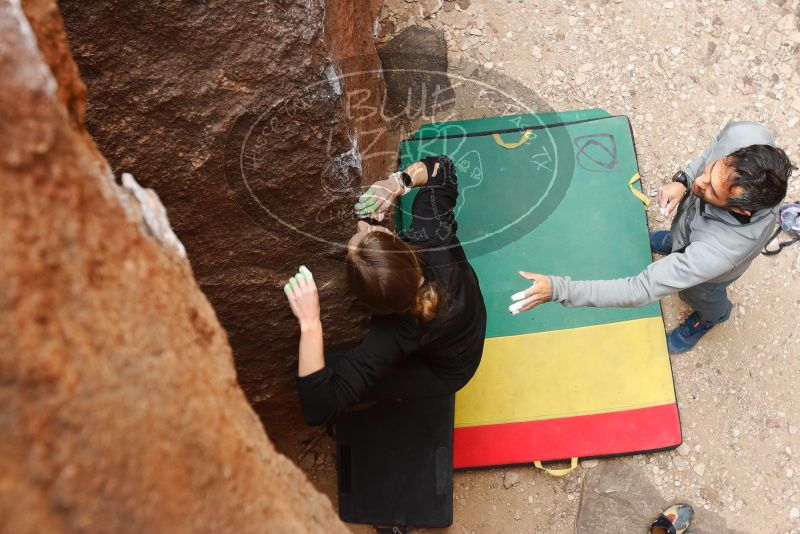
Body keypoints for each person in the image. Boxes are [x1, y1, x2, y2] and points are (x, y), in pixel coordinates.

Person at [510, 121, 794, 353]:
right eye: (710, 172)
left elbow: (639, 289)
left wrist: (560, 289)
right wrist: (683, 181)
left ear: (742, 209)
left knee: (700, 294)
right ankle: (677, 246)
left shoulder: (716, 255)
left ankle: (712, 317)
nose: (700, 182)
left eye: (711, 191)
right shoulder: (748, 135)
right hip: (695, 242)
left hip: (709, 275)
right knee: (681, 237)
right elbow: (713, 149)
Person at [283, 155, 487, 425]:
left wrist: (310, 325)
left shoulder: (391, 335)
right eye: (370, 232)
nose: (362, 224)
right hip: (468, 320)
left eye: (364, 232)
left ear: (373, 308)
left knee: (326, 367)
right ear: (396, 241)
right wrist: (398, 183)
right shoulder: (433, 236)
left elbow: (319, 409)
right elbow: (443, 169)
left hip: (447, 371)